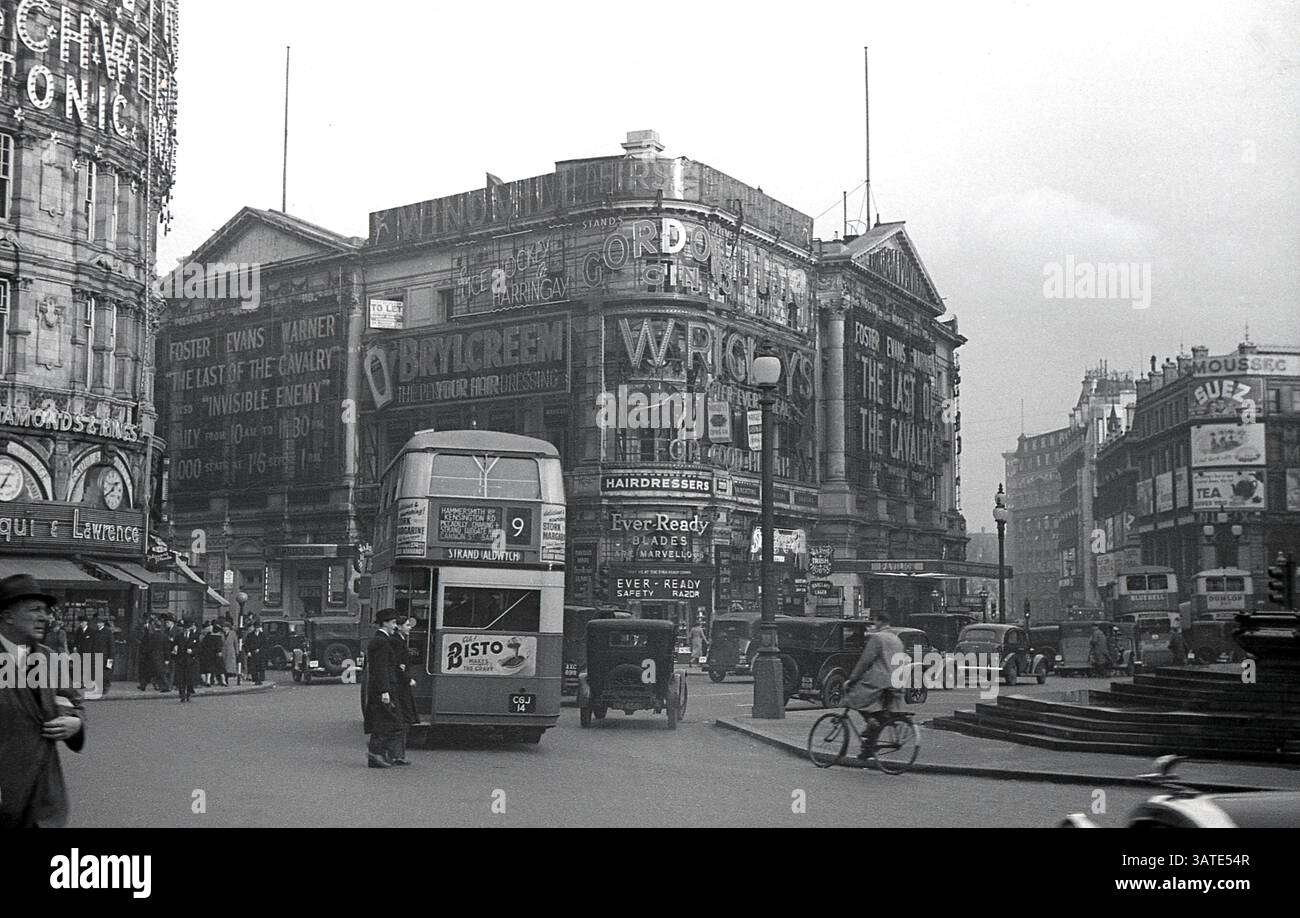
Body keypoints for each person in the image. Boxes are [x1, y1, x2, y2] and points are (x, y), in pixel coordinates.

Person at [0, 574, 87, 828]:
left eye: (46, 611)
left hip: (44, 798)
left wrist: (76, 724)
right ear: (8, 616)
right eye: (35, 609)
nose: (46, 617)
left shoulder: (50, 659)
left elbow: (74, 704)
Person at [844, 612, 905, 759]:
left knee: (854, 698)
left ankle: (870, 722)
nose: (873, 624)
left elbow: (865, 661)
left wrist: (852, 680)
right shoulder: (897, 639)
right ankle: (868, 749)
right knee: (879, 715)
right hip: (896, 681)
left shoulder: (877, 638)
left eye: (874, 621)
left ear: (879, 622)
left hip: (880, 679)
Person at [363, 608, 404, 768]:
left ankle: (378, 753)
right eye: (393, 623)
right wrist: (384, 691)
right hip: (384, 689)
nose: (395, 626)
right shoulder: (381, 642)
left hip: (383, 687)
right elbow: (380, 668)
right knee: (389, 722)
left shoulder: (381, 640)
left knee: (384, 721)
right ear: (385, 623)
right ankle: (375, 752)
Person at [390, 617, 420, 765]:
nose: (410, 628)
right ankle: (396, 754)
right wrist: (407, 678)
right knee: (402, 719)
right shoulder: (397, 642)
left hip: (401, 684)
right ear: (399, 627)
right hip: (401, 686)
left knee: (403, 720)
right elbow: (397, 664)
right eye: (407, 625)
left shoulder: (399, 640)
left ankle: (397, 753)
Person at [86, 614, 115, 695]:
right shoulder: (95, 632)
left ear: (103, 623)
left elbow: (111, 646)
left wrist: (110, 659)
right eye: (97, 623)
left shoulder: (108, 632)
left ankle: (105, 687)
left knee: (105, 674)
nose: (98, 624)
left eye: (99, 623)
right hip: (96, 656)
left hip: (105, 656)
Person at [174, 621, 201, 702]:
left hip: (190, 660)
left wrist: (192, 651)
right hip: (181, 660)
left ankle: (188, 694)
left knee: (189, 679)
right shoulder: (179, 636)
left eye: (187, 628)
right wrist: (175, 649)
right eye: (185, 628)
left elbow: (199, 648)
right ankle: (182, 695)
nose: (186, 630)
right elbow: (175, 645)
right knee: (181, 679)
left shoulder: (195, 636)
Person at [222, 621, 240, 686]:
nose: (223, 628)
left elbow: (236, 643)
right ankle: (224, 679)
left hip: (230, 651)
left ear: (228, 628)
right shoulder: (221, 634)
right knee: (223, 666)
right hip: (223, 651)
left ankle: (228, 679)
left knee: (229, 667)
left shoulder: (233, 633)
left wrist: (237, 651)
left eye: (224, 627)